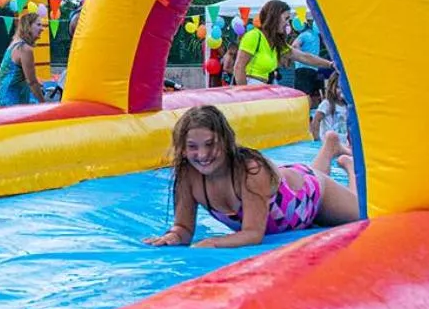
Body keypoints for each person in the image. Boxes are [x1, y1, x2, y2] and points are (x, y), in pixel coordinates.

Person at [143, 104, 359, 248]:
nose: (202, 154)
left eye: (210, 144)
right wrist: (173, 236)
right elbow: (183, 228)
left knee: (362, 212)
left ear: (226, 142)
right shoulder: (188, 175)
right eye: (192, 146)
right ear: (182, 149)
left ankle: (349, 167)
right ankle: (330, 146)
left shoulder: (249, 172)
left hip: (309, 196)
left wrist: (214, 242)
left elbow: (253, 234)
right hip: (288, 183)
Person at [232, 0, 334, 87]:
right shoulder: (253, 36)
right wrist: (245, 94)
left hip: (263, 87)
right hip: (249, 86)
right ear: (274, 17)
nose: (288, 24)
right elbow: (238, 68)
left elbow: (304, 57)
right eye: (286, 18)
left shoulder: (276, 42)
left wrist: (330, 65)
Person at [0, 12, 45, 107]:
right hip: (11, 104)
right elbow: (32, 82)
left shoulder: (14, 44)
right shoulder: (24, 48)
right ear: (28, 26)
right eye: (38, 25)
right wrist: (44, 104)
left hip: (0, 99)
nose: (42, 29)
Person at [291, 15, 325, 108]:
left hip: (302, 69)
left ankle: (305, 114)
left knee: (302, 96)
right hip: (314, 69)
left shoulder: (303, 35)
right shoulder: (315, 36)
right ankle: (312, 114)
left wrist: (299, 56)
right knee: (314, 96)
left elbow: (294, 45)